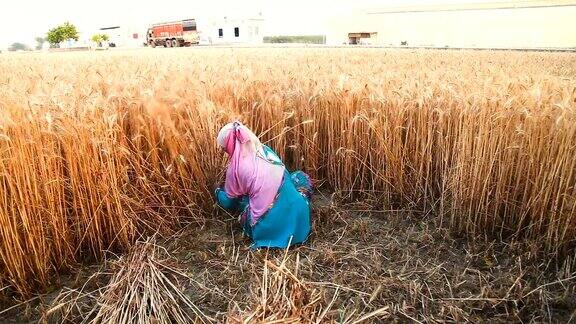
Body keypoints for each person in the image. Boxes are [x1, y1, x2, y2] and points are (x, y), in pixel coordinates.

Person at [214, 121, 312, 248]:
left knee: (244, 203)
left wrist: (217, 191)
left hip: (271, 229)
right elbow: (285, 175)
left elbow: (228, 202)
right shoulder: (266, 151)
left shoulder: (236, 169)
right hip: (300, 219)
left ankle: (269, 233)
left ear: (229, 146)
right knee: (298, 176)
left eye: (224, 148)